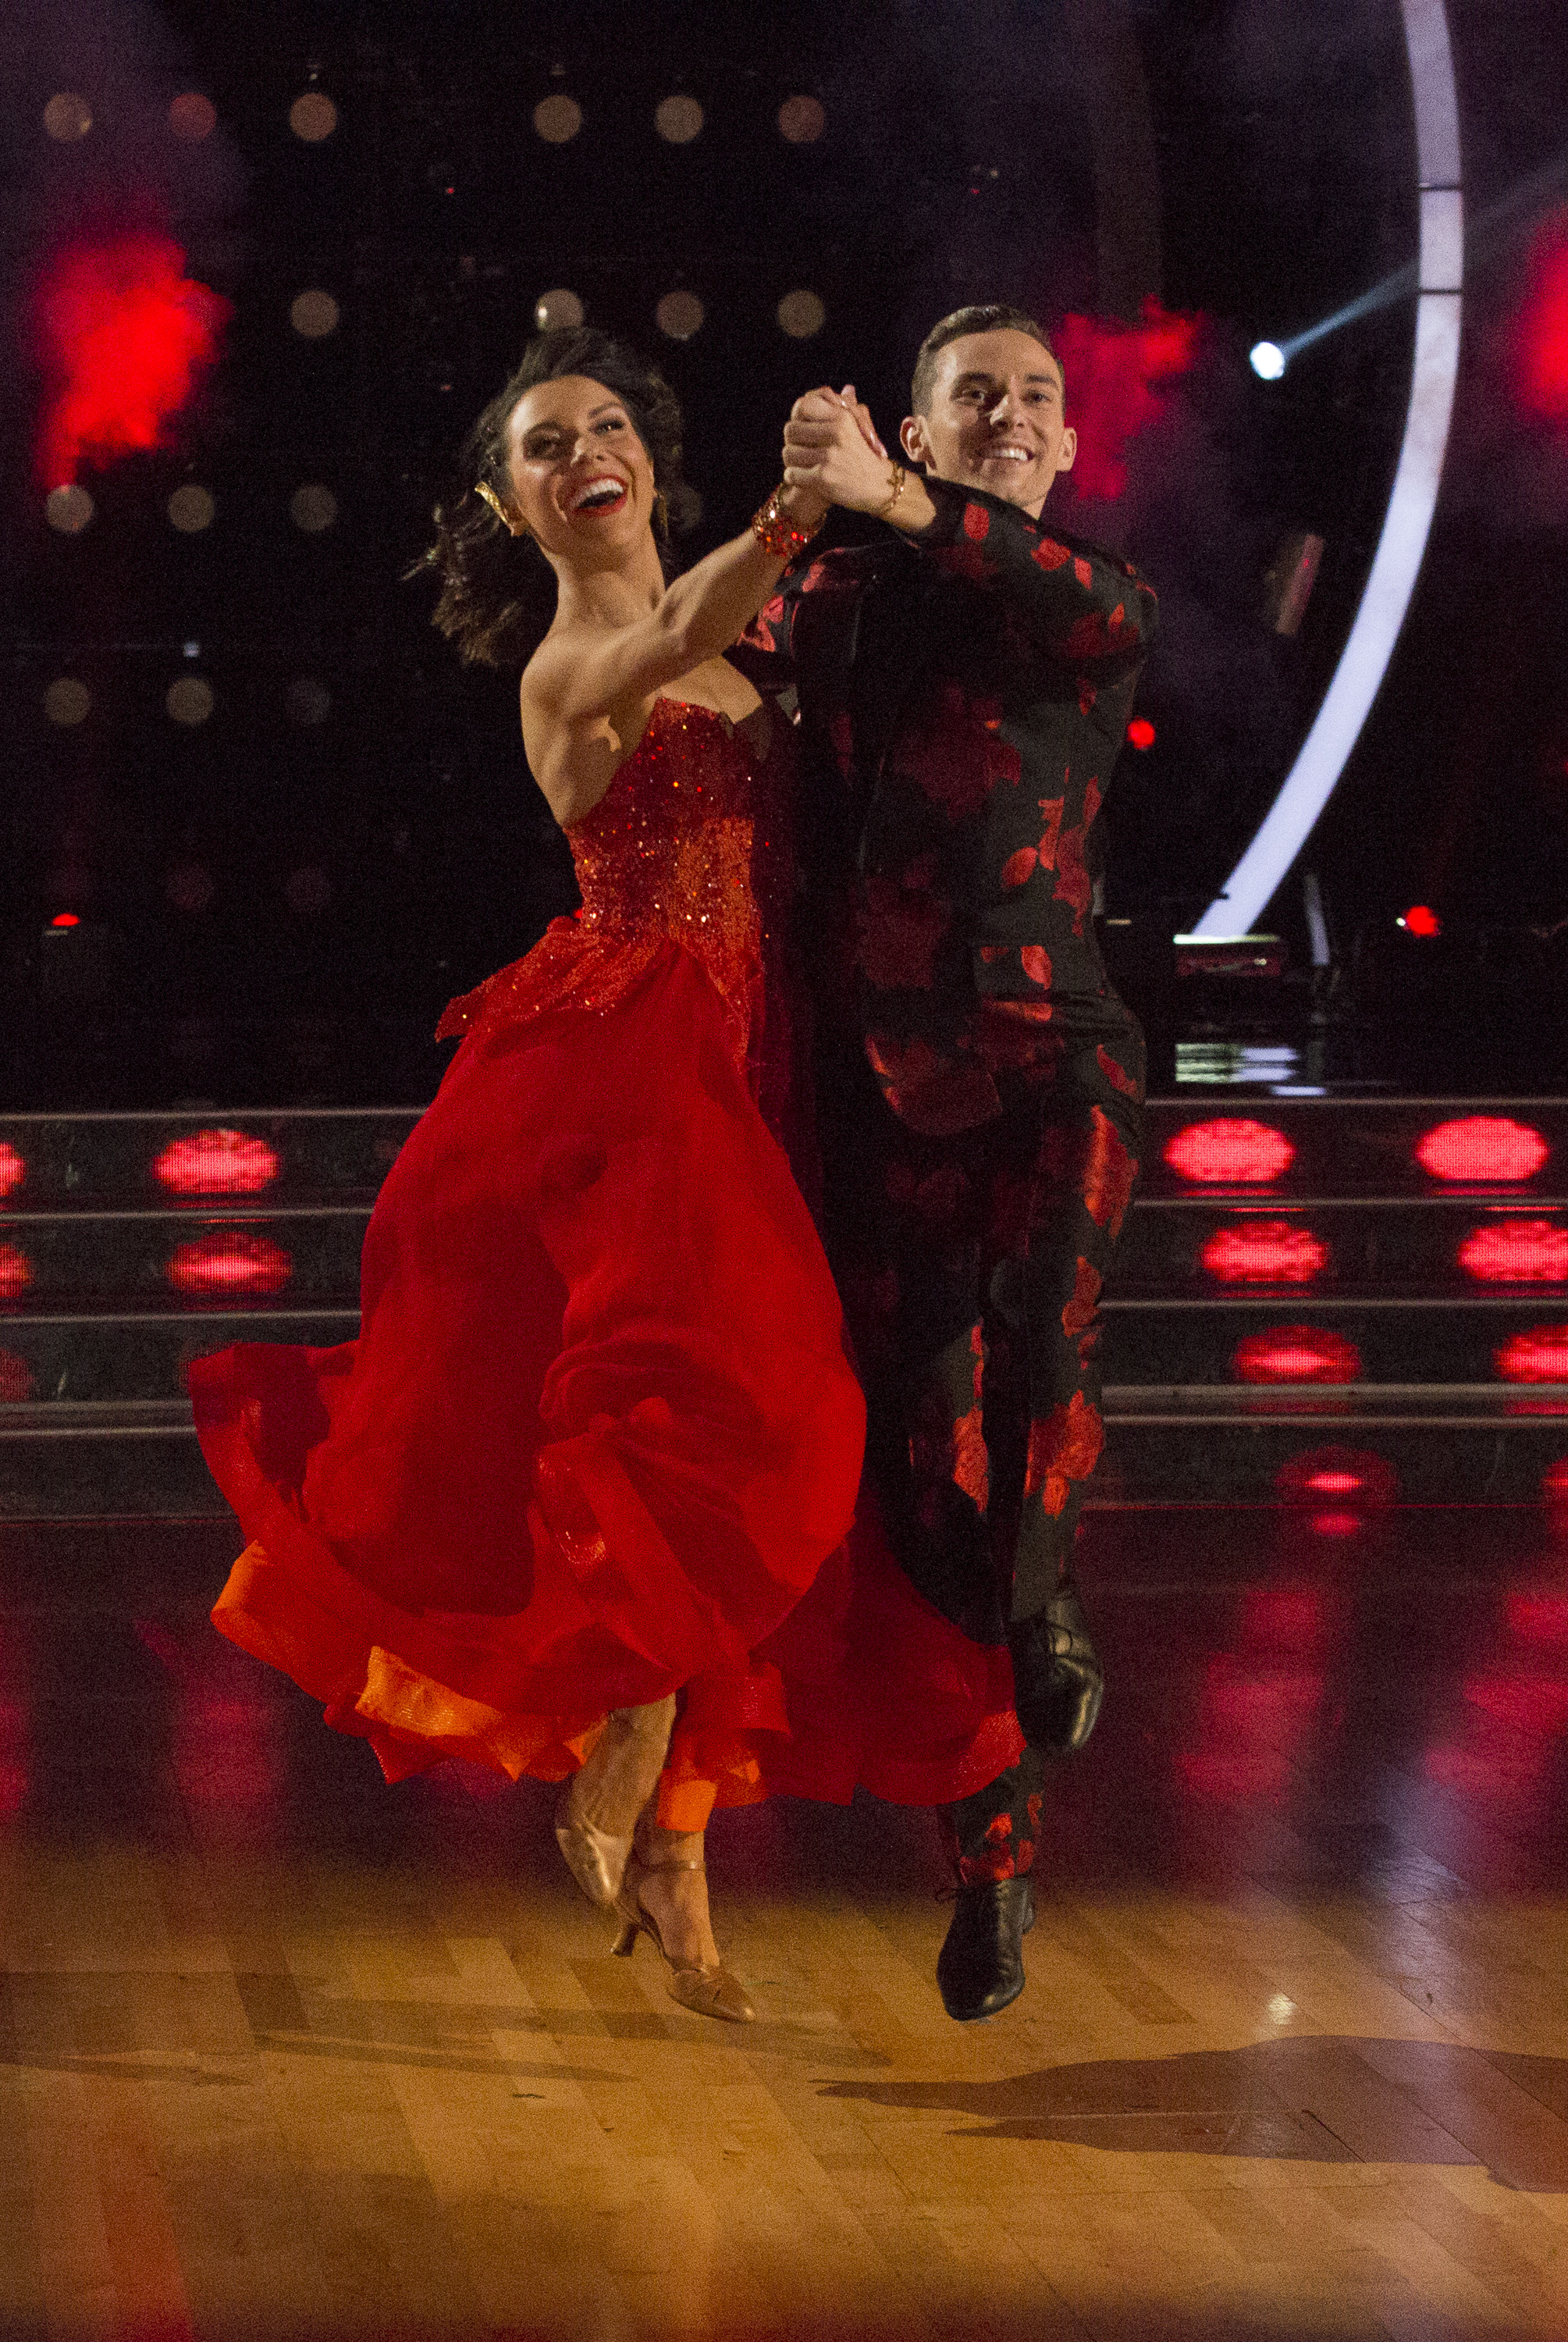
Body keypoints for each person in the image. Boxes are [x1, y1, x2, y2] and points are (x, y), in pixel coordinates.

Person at [187, 327, 1027, 2026]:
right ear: (510, 505)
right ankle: (627, 1755)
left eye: (612, 422)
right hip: (630, 1075)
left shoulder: (760, 654)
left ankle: (674, 1851)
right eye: (547, 440)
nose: (590, 447)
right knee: (756, 1418)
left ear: (648, 455)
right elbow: (675, 630)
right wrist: (802, 511)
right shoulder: (580, 659)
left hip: (761, 1059)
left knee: (714, 1447)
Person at [739, 304, 1159, 2020]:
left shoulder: (1095, 602)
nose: (1011, 415)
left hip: (1059, 1060)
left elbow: (1049, 598)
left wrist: (896, 505)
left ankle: (1051, 1616)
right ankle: (991, 1859)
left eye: (1037, 398)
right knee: (930, 1477)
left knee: (1043, 1347)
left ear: (1066, 445)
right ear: (915, 427)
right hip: (887, 1083)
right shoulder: (830, 602)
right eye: (973, 394)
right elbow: (715, 685)